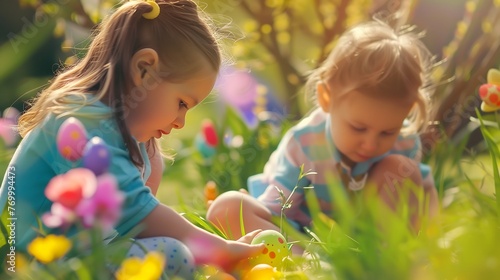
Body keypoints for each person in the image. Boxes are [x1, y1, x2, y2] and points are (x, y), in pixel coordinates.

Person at [0, 0, 263, 278]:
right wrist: (219, 250)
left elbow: (134, 226)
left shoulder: (122, 134)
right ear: (144, 69)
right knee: (174, 253)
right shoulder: (79, 120)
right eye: (182, 103)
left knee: (174, 247)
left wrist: (150, 158)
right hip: (27, 266)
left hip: (69, 257)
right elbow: (138, 215)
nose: (181, 122)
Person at [207, 20, 439, 248]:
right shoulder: (305, 144)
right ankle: (307, 265)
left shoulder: (404, 142)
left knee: (401, 170)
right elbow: (277, 211)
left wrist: (432, 239)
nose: (370, 144)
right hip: (301, 236)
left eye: (388, 132)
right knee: (227, 207)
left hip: (364, 241)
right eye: (358, 128)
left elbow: (424, 193)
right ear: (326, 98)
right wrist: (256, 211)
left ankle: (378, 258)